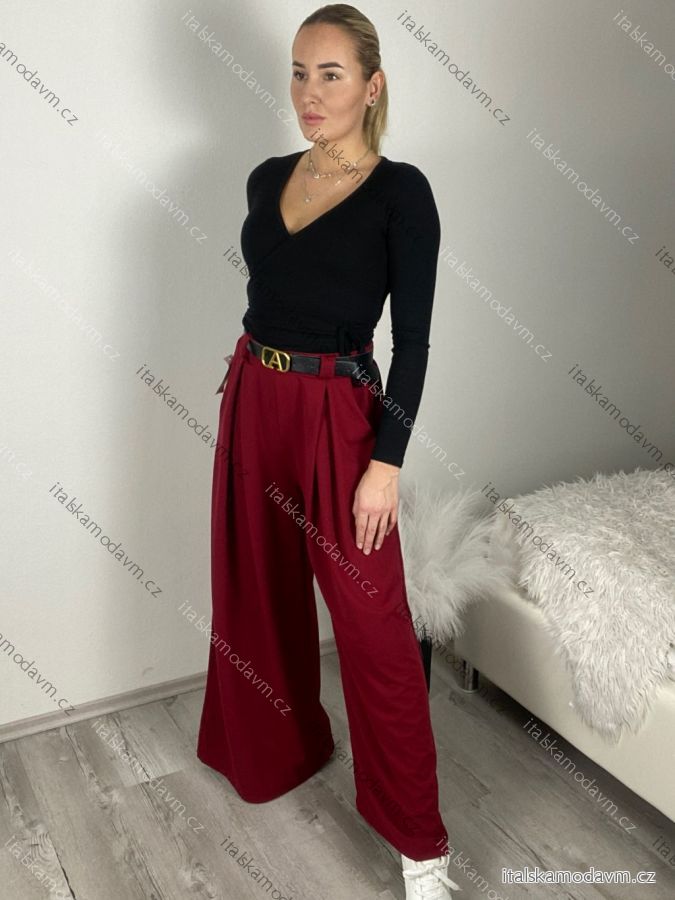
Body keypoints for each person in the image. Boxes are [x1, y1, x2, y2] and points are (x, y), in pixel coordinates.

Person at [197, 5, 460, 897]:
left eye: (332, 74)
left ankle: (420, 845)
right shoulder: (265, 177)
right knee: (254, 589)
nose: (309, 93)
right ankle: (277, 753)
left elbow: (412, 344)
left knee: (373, 628)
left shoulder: (401, 194)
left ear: (372, 86)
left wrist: (385, 462)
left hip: (338, 415)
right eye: (300, 72)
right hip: (253, 395)